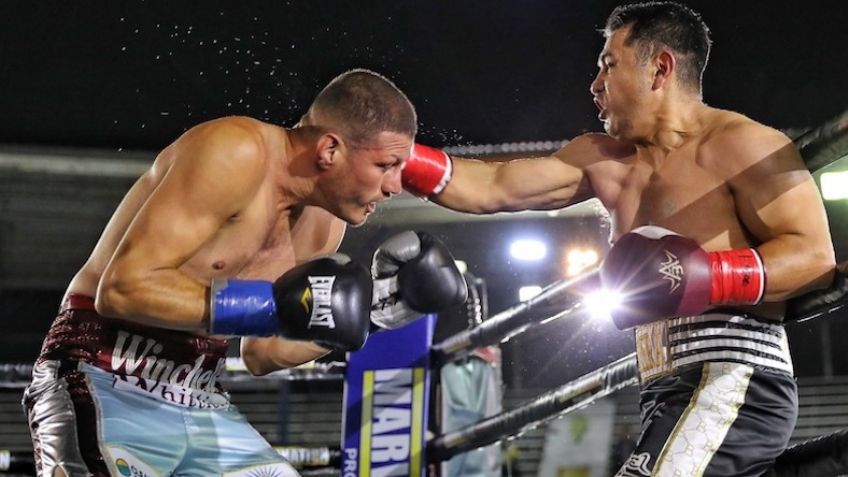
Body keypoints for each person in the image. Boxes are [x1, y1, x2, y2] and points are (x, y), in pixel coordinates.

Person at [401, 2, 839, 475]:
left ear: (661, 68)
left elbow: (814, 256)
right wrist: (390, 158)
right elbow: (492, 187)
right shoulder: (601, 158)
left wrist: (709, 276)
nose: (594, 85)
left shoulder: (743, 145)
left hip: (734, 380)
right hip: (661, 390)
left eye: (609, 65)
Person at [23, 69, 467, 477]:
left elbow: (263, 353)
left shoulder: (325, 222)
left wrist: (378, 313)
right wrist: (270, 306)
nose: (393, 187)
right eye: (384, 166)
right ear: (330, 148)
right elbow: (121, 290)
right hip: (101, 374)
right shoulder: (235, 150)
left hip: (198, 394)